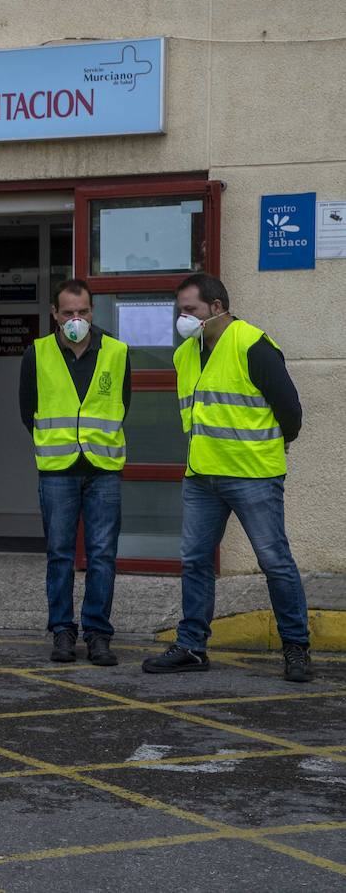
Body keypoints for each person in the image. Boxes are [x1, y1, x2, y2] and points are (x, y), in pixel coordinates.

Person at [143, 273, 311, 682]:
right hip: (202, 476)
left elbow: (290, 411)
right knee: (196, 561)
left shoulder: (252, 343)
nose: (183, 317)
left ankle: (296, 648)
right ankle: (192, 646)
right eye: (180, 309)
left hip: (252, 474)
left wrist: (273, 446)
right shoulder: (186, 354)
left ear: (216, 307)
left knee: (275, 562)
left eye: (191, 309)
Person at [19, 279, 130, 667]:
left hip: (103, 469)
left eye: (82, 311)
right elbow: (27, 411)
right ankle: (62, 631)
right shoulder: (37, 353)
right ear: (54, 314)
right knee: (60, 554)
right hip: (57, 471)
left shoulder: (116, 351)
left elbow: (123, 403)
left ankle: (98, 633)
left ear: (92, 311)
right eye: (68, 313)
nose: (76, 319)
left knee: (103, 554)